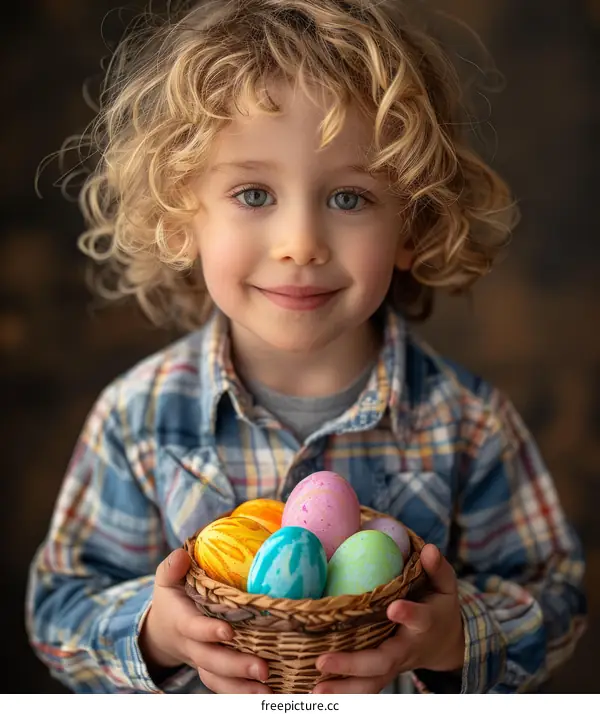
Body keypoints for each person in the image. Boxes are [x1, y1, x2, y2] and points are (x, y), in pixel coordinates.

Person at [26, 0, 587, 695]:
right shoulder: (138, 419)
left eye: (349, 198)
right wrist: (153, 633)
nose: (300, 243)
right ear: (181, 217)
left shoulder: (468, 424)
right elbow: (59, 605)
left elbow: (555, 593)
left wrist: (456, 637)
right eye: (254, 192)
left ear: (412, 225)